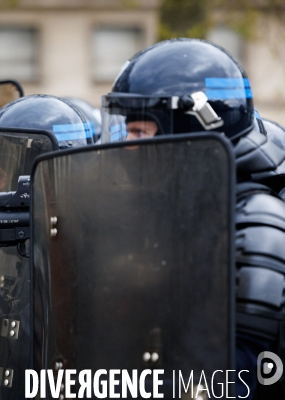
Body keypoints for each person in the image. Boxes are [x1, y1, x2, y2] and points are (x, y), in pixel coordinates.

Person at [101, 38, 285, 398]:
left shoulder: (253, 228)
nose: (125, 147)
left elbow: (234, 381)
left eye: (140, 132)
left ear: (192, 132)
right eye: (126, 130)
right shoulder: (174, 212)